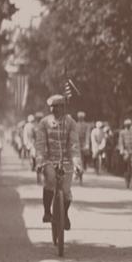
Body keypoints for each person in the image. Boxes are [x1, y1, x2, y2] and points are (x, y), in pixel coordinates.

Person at [35, 94, 82, 230]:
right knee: (50, 181)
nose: (54, 109)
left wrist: (77, 163)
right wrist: (39, 161)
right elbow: (40, 144)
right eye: (52, 107)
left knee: (66, 192)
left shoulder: (70, 123)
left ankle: (64, 214)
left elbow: (74, 145)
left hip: (66, 161)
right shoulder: (44, 123)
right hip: (49, 160)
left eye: (57, 107)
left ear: (63, 107)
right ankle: (47, 212)